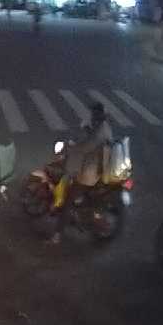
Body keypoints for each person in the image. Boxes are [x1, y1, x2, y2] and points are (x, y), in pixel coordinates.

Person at [48, 101, 114, 244]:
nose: (92, 116)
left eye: (93, 114)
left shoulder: (99, 131)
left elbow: (86, 147)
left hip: (89, 174)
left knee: (67, 201)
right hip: (98, 171)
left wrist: (70, 147)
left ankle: (57, 235)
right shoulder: (105, 128)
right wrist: (87, 129)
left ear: (97, 115)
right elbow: (94, 140)